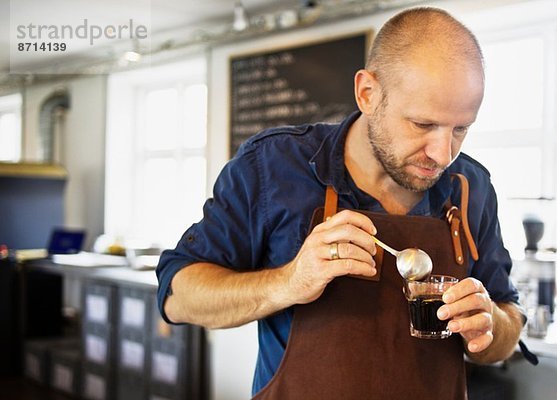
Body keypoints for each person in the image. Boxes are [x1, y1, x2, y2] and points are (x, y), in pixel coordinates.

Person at [156, 6, 524, 399]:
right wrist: (288, 282)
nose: (442, 153)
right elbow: (178, 296)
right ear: (368, 93)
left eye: (461, 129)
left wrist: (491, 325)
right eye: (422, 124)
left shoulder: (471, 186)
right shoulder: (273, 167)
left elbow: (509, 321)